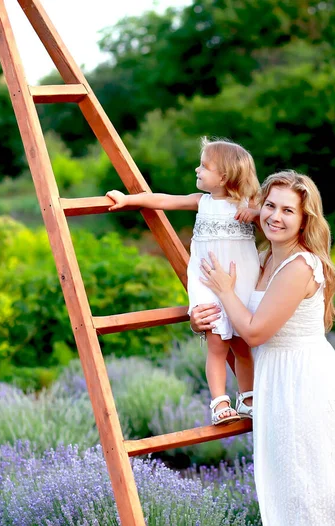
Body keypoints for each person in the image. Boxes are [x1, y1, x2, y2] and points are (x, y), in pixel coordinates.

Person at [192, 170, 335, 525]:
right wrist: (201, 320)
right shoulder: (262, 259)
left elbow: (256, 332)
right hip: (275, 383)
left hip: (306, 386)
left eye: (288, 210)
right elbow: (236, 324)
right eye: (270, 206)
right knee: (286, 492)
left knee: (314, 493)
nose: (275, 216)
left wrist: (226, 290)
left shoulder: (301, 265)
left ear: (305, 219)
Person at [106, 138, 260, 425]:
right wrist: (128, 199)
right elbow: (163, 200)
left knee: (242, 347)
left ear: (224, 176)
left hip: (241, 285)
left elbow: (275, 217)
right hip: (209, 282)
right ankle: (219, 403)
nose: (197, 170)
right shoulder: (202, 201)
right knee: (217, 344)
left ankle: (247, 399)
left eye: (204, 166)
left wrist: (256, 213)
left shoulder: (248, 205)